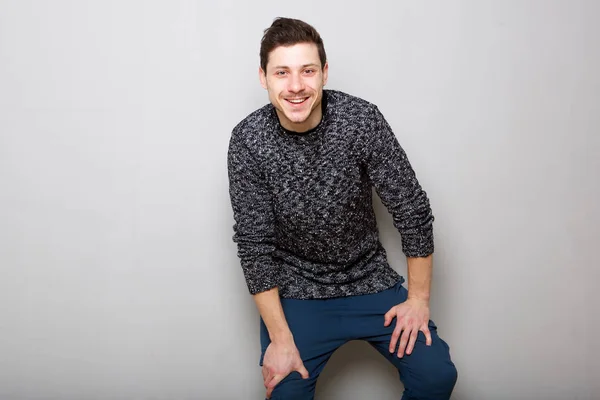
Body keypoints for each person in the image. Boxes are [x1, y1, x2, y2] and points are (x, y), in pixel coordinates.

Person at [227, 17, 457, 400]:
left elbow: (413, 210)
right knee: (285, 394)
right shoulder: (248, 140)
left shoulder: (360, 120)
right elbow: (254, 246)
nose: (296, 86)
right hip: (297, 292)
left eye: (308, 71)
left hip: (369, 282)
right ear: (264, 77)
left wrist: (418, 300)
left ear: (325, 73)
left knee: (435, 376)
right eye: (282, 72)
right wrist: (281, 338)